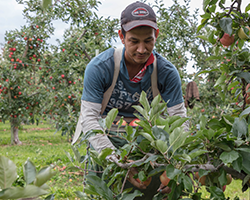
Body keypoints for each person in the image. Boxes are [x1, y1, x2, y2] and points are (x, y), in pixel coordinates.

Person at [80, 1, 189, 199]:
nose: (141, 49)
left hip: (149, 152)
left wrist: (173, 170)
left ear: (157, 35)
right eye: (133, 41)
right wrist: (119, 162)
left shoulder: (165, 72)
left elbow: (180, 119)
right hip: (106, 145)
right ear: (121, 36)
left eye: (148, 41)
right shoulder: (100, 67)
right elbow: (88, 119)